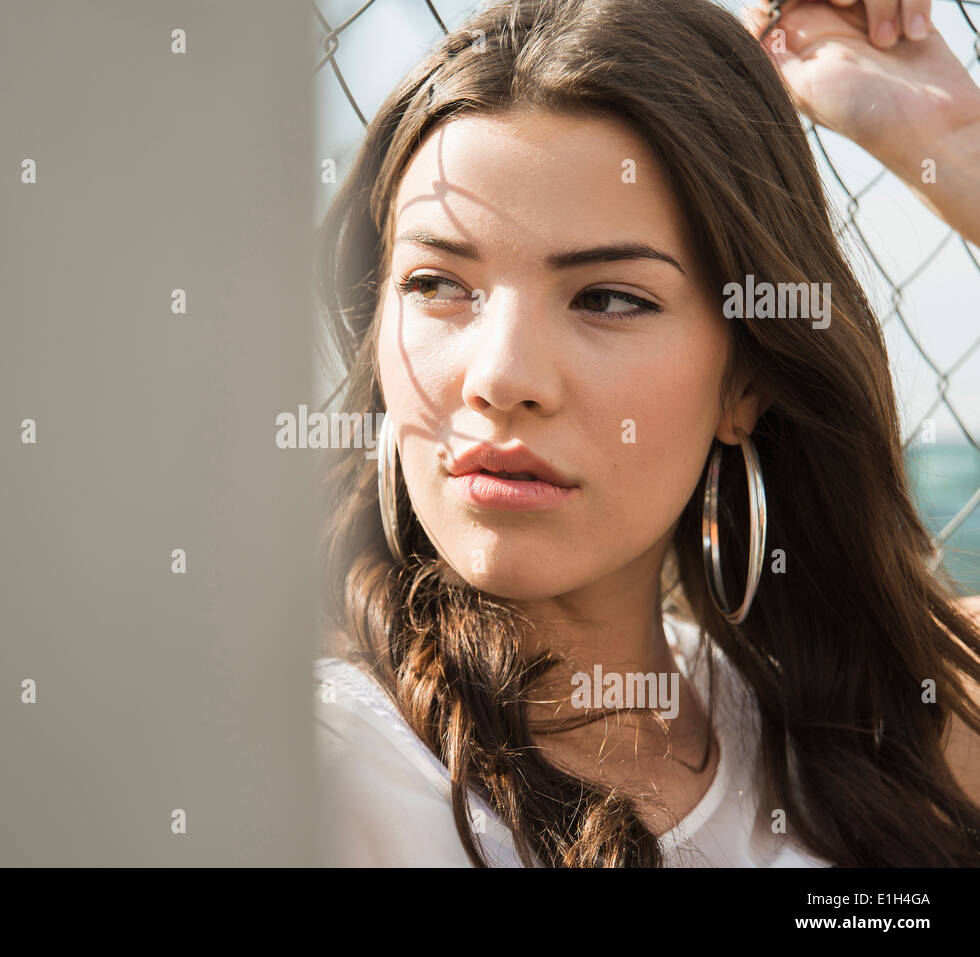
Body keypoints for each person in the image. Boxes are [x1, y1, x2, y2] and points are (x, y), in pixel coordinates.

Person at [313, 0, 980, 867]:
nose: (500, 377)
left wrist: (953, 143)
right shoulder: (321, 774)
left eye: (608, 299)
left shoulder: (877, 729)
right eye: (438, 283)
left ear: (746, 381)